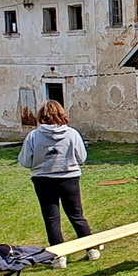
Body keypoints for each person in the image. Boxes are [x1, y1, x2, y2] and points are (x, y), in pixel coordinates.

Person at [19, 100, 99, 267]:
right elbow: (82, 158)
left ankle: (59, 257)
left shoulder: (34, 136)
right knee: (76, 214)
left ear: (42, 116)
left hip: (43, 180)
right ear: (62, 114)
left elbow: (25, 161)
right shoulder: (72, 134)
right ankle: (92, 249)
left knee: (51, 218)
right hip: (69, 178)